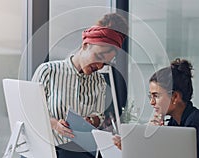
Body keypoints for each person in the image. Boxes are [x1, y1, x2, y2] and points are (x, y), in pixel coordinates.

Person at [32, 13, 128, 158]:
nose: (100, 66)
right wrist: (55, 124)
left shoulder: (99, 82)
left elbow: (99, 116)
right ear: (85, 45)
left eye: (105, 63)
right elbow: (31, 111)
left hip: (82, 152)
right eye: (99, 57)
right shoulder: (48, 71)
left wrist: (91, 121)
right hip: (49, 150)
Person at [113, 58, 199, 158]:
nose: (151, 102)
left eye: (156, 96)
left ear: (175, 97)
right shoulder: (174, 123)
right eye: (150, 96)